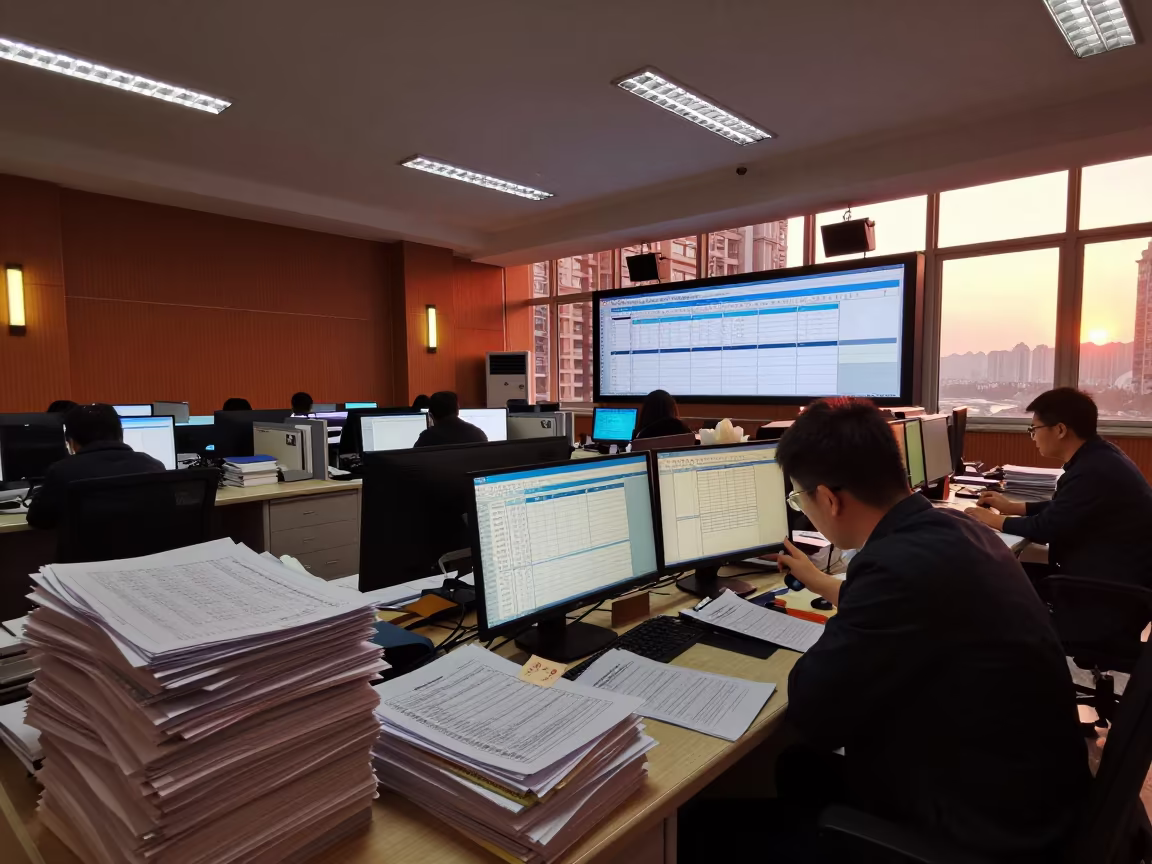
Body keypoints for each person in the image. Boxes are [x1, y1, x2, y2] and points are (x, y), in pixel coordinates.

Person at [724, 399, 1085, 862]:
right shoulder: (952, 528)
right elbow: (911, 606)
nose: (803, 509)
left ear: (831, 500)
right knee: (799, 769)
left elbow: (814, 714)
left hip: (988, 829)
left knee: (725, 823)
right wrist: (827, 587)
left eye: (800, 498)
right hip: (1030, 792)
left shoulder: (893, 568)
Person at [966, 388, 1152, 591]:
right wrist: (1013, 508)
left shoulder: (1093, 471)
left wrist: (989, 519)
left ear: (1060, 430)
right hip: (1107, 574)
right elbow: (1065, 506)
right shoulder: (1101, 456)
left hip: (1103, 591)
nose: (1033, 436)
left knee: (985, 580)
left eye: (1034, 429)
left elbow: (1045, 529)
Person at [26, 404, 166, 530]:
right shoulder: (153, 465)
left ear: (71, 441)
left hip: (87, 557)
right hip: (145, 555)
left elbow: (38, 520)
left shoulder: (62, 471)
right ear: (120, 434)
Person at [414, 391, 487, 448]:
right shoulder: (478, 434)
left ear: (431, 416)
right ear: (457, 411)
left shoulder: (426, 438)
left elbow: (412, 460)